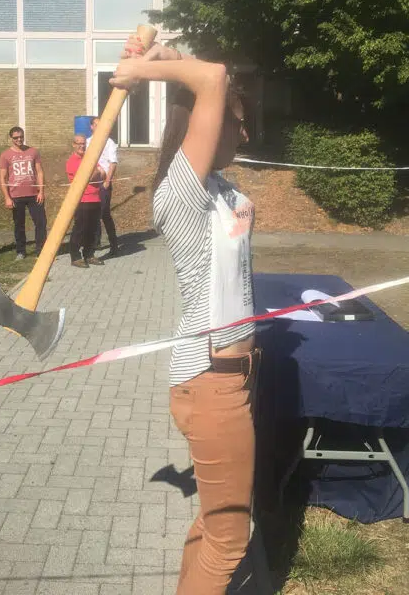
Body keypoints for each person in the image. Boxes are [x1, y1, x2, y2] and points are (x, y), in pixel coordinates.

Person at [111, 36, 256, 595]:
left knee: (212, 526)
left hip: (234, 376)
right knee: (230, 540)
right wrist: (141, 73)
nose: (245, 133)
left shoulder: (218, 188)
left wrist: (160, 57)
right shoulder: (182, 191)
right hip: (211, 379)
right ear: (207, 122)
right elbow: (212, 76)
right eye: (237, 121)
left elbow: (204, 76)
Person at [0, 126, 47, 260]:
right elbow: (2, 178)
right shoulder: (5, 155)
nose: (19, 139)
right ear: (11, 138)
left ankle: (41, 251)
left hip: (34, 194)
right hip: (16, 196)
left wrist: (41, 191)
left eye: (21, 137)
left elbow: (40, 172)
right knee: (19, 225)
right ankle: (21, 251)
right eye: (16, 138)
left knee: (41, 222)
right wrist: (7, 197)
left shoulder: (33, 152)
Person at [66, 135, 106, 268]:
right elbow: (91, 177)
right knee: (80, 229)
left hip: (95, 198)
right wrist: (97, 172)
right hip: (82, 200)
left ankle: (89, 254)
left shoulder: (90, 158)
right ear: (73, 144)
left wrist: (97, 172)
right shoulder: (72, 161)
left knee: (92, 229)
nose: (81, 146)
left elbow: (103, 174)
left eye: (83, 143)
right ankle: (75, 257)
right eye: (78, 143)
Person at [87, 116, 119, 256]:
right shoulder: (87, 142)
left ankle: (114, 244)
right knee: (92, 213)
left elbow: (113, 163)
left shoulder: (109, 142)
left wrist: (108, 181)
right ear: (91, 127)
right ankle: (95, 242)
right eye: (96, 125)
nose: (99, 127)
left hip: (103, 182)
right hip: (90, 183)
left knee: (104, 213)